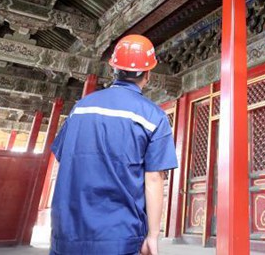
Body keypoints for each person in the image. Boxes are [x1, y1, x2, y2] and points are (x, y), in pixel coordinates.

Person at [50, 34, 178, 255]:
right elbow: (154, 178)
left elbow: (64, 157)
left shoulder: (81, 108)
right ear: (148, 74)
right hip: (119, 234)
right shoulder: (153, 117)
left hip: (67, 232)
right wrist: (153, 235)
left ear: (114, 70)